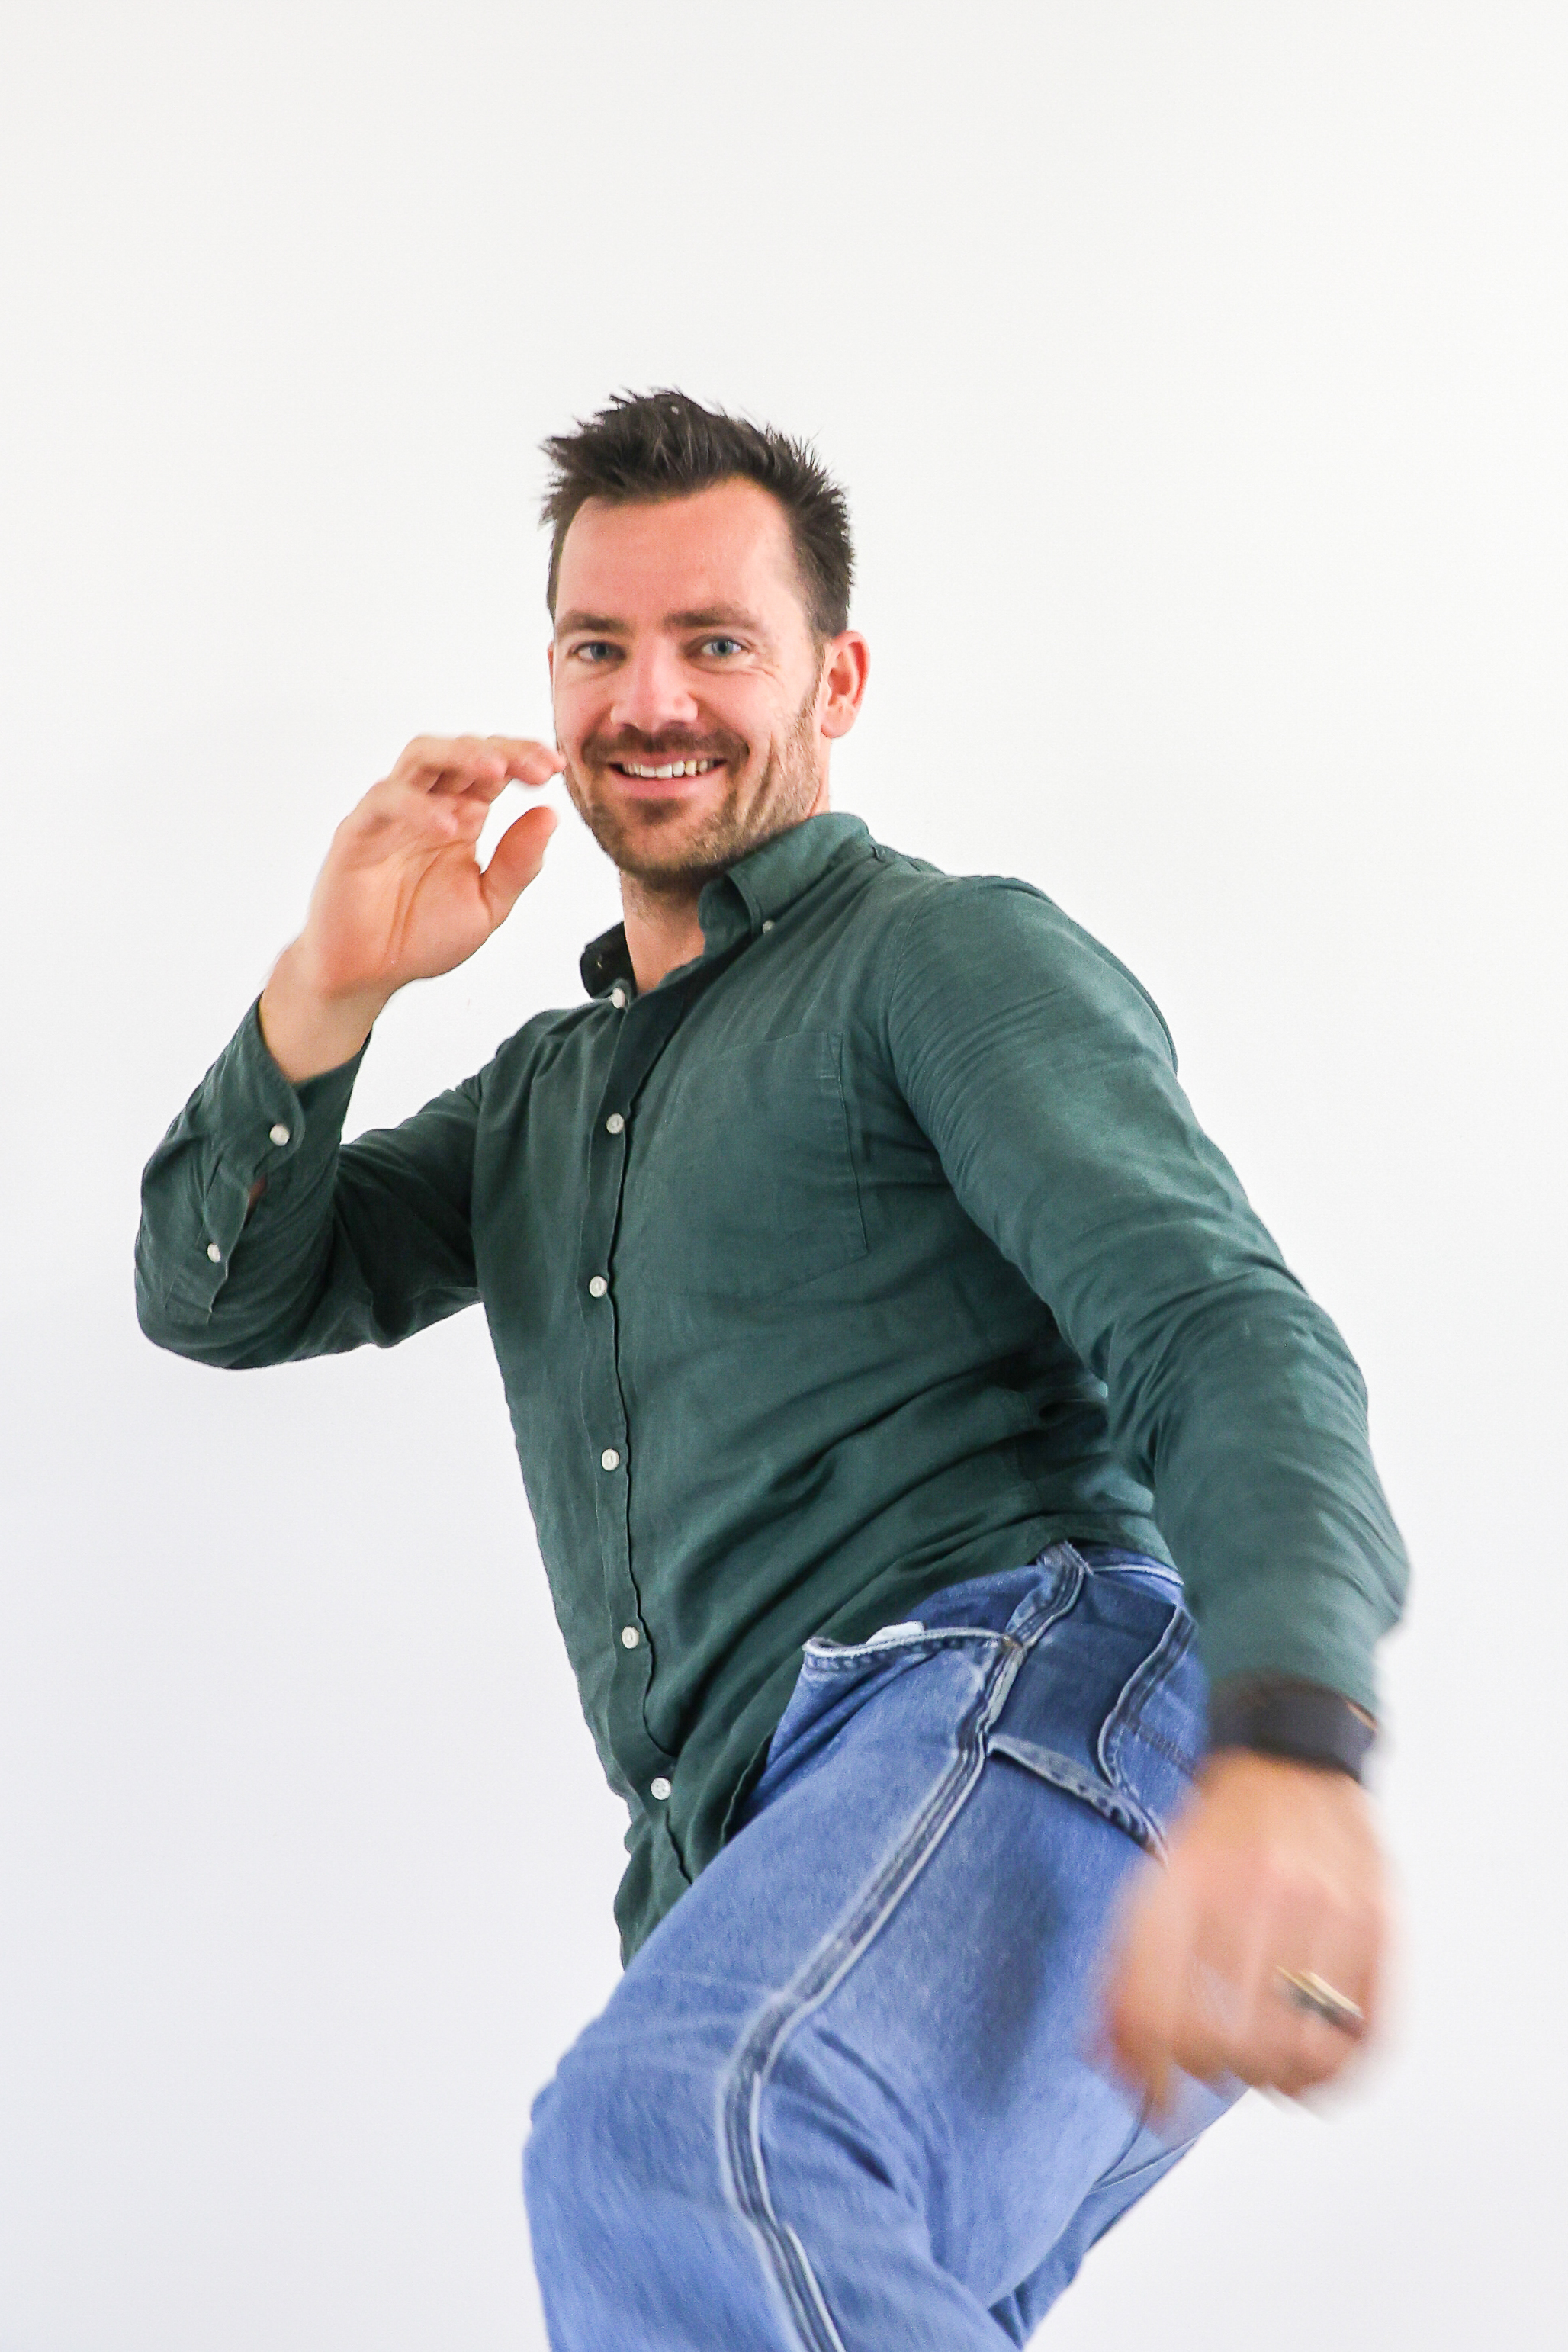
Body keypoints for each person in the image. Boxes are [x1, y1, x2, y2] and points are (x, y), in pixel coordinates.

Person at [136, 390, 1406, 2347]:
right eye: (598, 647)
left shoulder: (937, 960)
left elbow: (1215, 1319)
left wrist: (1294, 1742)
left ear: (836, 678)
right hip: (774, 1836)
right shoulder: (544, 1102)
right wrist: (332, 983)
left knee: (673, 2139)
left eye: (715, 641)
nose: (651, 699)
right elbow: (222, 1291)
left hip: (1013, 1701)